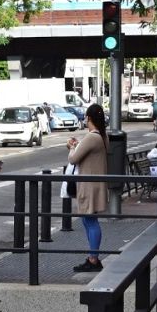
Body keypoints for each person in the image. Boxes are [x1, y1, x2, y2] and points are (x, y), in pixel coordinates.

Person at [67, 104, 109, 272]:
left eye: (85, 117)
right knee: (89, 220)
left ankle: (93, 259)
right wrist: (78, 145)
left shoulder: (92, 137)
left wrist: (71, 147)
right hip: (97, 184)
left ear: (89, 118)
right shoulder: (103, 136)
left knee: (90, 221)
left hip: (89, 185)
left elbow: (73, 158)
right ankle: (94, 256)